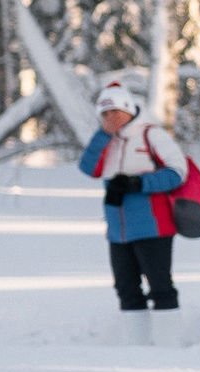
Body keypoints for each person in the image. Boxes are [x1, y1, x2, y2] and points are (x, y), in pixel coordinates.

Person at [79, 79, 188, 344]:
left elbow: (178, 172)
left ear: (129, 108)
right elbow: (88, 167)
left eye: (116, 111)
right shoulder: (106, 140)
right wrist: (102, 135)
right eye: (104, 113)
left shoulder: (152, 134)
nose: (111, 117)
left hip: (153, 224)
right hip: (118, 231)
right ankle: (137, 345)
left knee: (160, 285)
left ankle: (169, 343)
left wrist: (138, 183)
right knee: (126, 287)